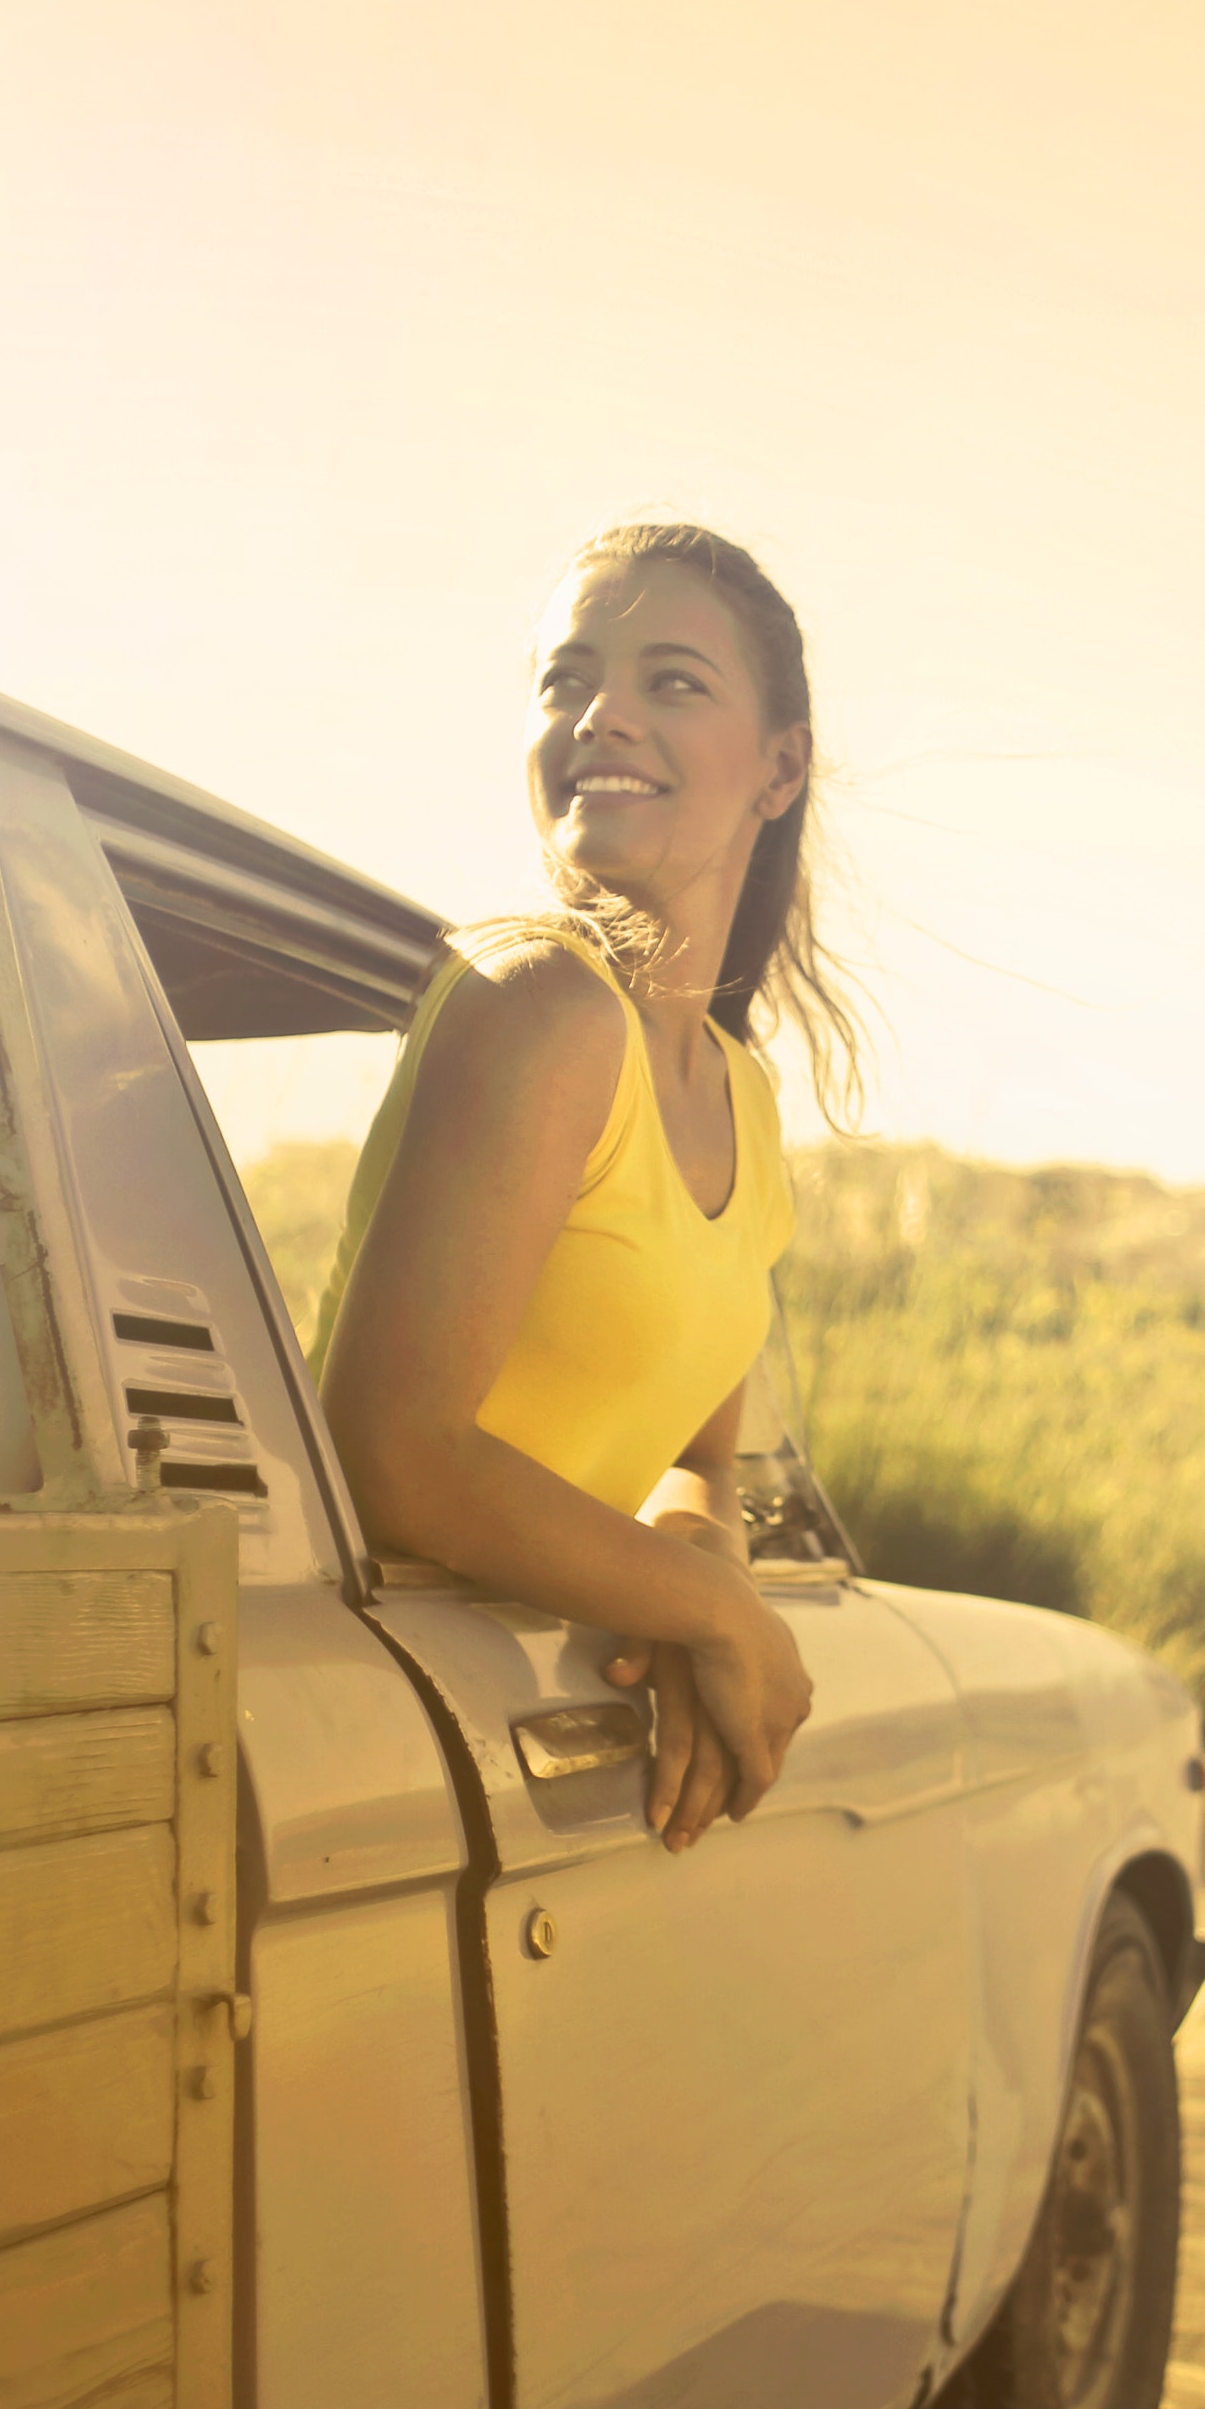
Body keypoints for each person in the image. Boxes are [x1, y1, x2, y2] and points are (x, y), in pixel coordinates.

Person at [310, 524, 863, 1851]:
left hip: (518, 1725)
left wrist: (696, 1567)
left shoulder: (743, 1097)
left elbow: (698, 1457)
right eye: (566, 680)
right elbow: (396, 1456)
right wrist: (715, 1614)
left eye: (672, 681)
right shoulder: (538, 1003)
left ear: (780, 767)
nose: (601, 714)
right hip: (372, 1727)